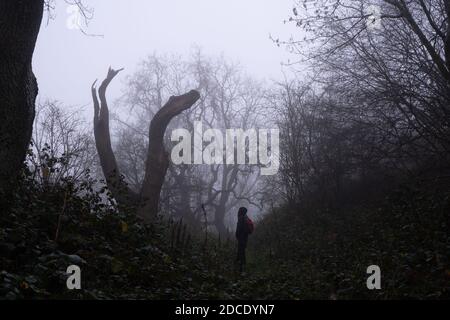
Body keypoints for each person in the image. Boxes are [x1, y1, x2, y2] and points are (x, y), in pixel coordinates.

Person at [235, 207, 251, 273]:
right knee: (242, 251)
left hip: (241, 238)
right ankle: (242, 265)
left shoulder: (241, 218)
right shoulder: (245, 217)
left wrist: (237, 235)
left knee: (241, 251)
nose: (238, 212)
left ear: (240, 211)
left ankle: (240, 268)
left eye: (239, 211)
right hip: (245, 238)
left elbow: (238, 229)